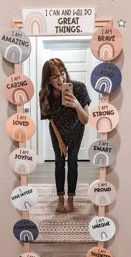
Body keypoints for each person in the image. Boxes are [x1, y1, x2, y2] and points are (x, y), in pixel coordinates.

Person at [39, 58, 91, 213]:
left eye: (62, 73)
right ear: (48, 80)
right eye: (55, 77)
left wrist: (76, 104)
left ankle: (71, 199)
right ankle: (60, 198)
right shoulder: (45, 94)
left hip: (76, 129)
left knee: (73, 162)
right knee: (59, 163)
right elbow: (51, 120)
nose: (60, 79)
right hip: (57, 131)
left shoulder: (80, 88)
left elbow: (85, 119)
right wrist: (60, 141)